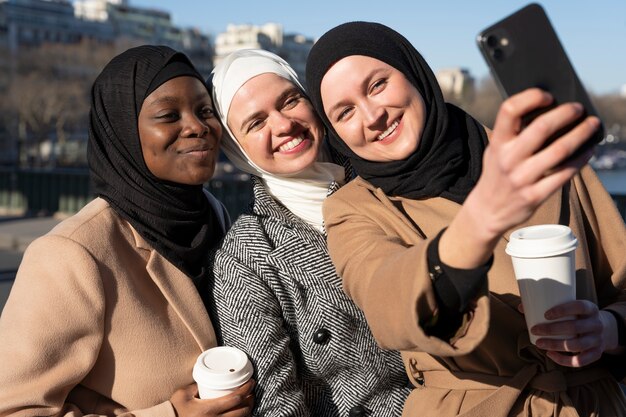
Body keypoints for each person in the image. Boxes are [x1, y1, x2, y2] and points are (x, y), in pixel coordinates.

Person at [305, 21, 626, 417]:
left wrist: (609, 329)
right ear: (335, 133)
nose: (372, 115)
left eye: (377, 85)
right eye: (345, 112)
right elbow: (387, 306)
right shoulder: (352, 209)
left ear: (414, 72)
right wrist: (482, 219)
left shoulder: (542, 150)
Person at [0, 45, 254, 417]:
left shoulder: (214, 217)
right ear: (122, 131)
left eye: (205, 111)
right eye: (169, 115)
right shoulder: (73, 253)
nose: (198, 127)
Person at [209, 48, 411, 417]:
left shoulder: (388, 173)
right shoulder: (248, 254)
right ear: (237, 150)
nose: (284, 125)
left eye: (289, 101)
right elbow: (275, 403)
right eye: (256, 123)